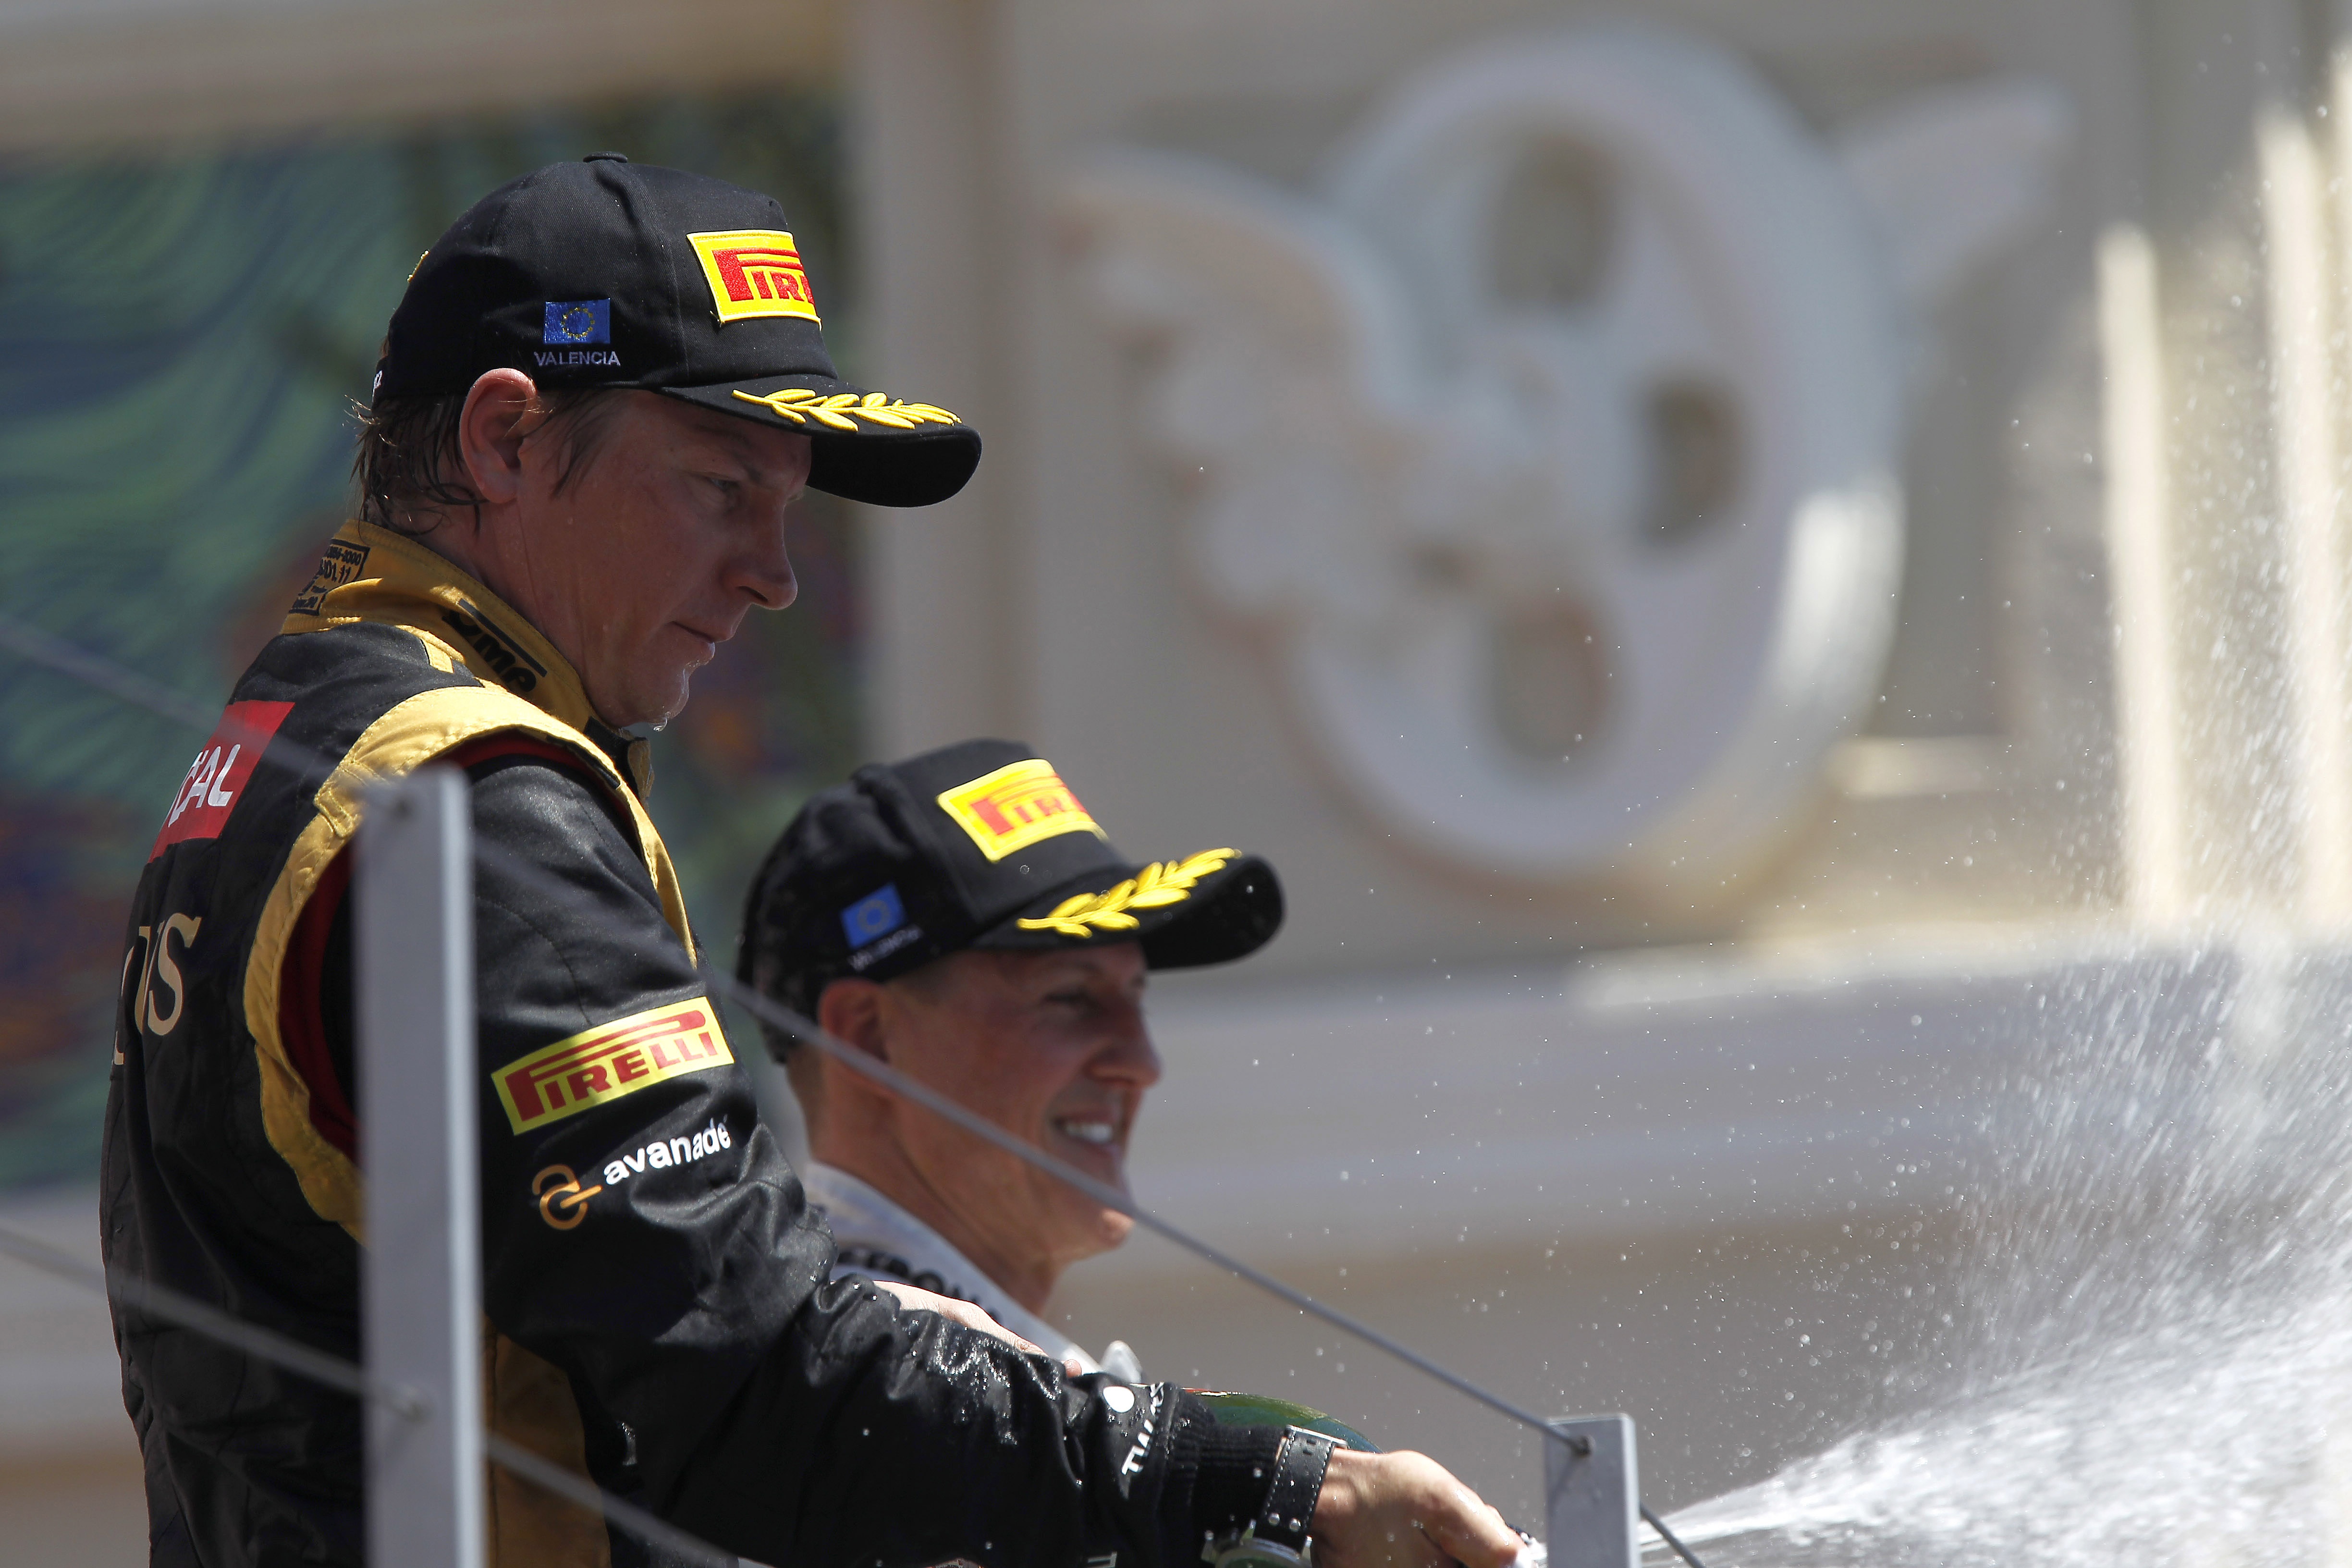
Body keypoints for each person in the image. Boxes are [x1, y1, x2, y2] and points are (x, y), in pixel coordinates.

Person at [100, 153, 1523, 1568]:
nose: (774, 573)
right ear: (507, 439)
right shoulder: (472, 795)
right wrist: (1269, 1483)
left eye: (784, 506)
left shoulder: (295, 744)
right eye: (722, 486)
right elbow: (751, 1385)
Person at [735, 739, 1283, 1381]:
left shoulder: (852, 1360)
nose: (1142, 1063)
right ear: (869, 1037)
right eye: (1071, 998)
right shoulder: (857, 1380)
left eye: (1137, 998)